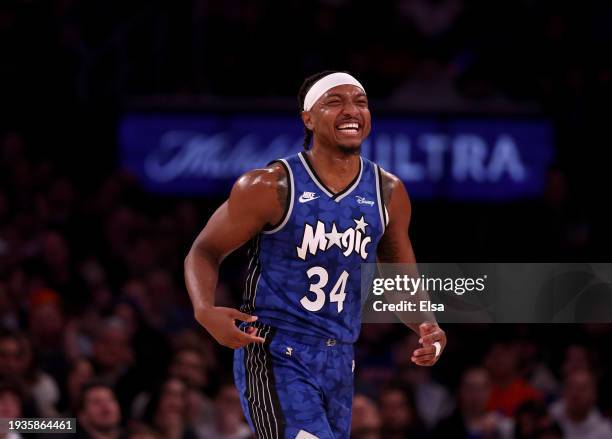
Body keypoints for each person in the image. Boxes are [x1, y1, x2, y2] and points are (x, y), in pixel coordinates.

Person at [184, 71, 447, 438]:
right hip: (275, 348)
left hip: (340, 357)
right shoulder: (268, 185)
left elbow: (398, 275)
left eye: (360, 101)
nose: (351, 110)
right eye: (334, 102)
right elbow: (204, 250)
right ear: (308, 117)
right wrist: (203, 311)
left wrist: (426, 323)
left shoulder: (388, 192)